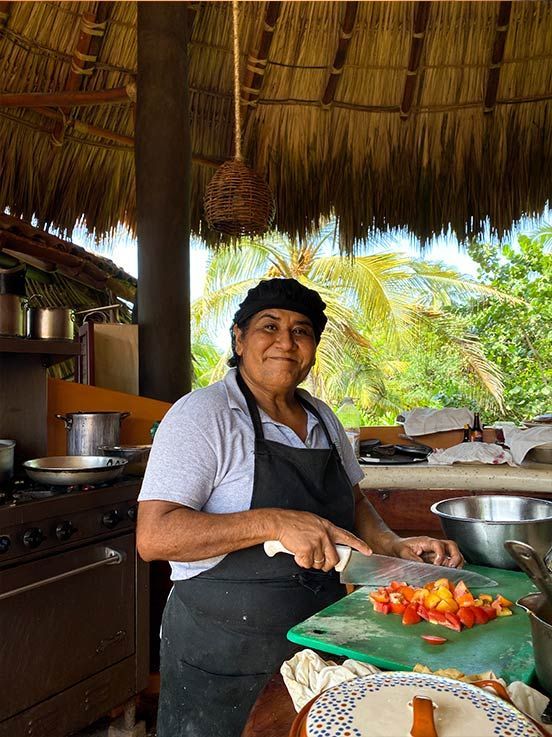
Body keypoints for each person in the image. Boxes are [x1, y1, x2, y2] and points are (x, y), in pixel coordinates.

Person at [136, 278, 463, 737]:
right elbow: (154, 537)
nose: (285, 343)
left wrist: (391, 545)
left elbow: (351, 498)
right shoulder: (203, 415)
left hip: (320, 637)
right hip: (226, 649)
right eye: (269, 326)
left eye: (301, 331)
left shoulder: (323, 417)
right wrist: (273, 521)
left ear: (312, 348)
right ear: (239, 338)